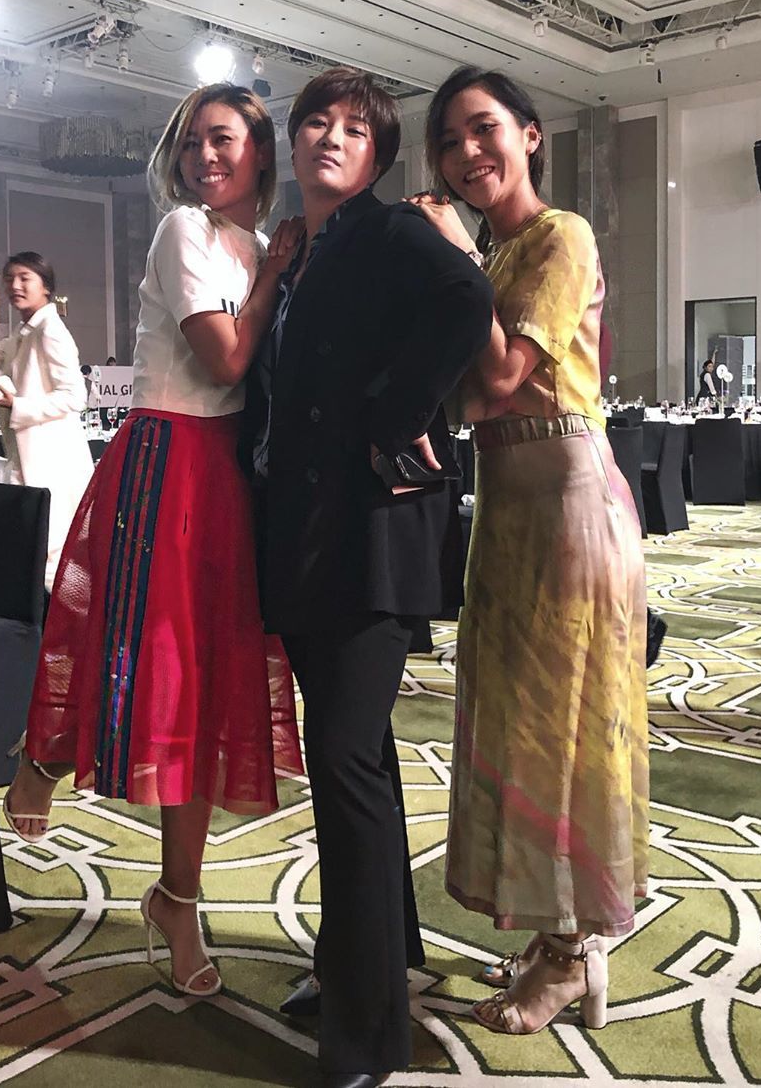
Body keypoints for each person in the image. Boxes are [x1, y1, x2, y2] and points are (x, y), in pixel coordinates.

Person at [2, 83, 303, 1001]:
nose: (204, 157)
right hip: (166, 458)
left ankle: (178, 898)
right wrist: (278, 277)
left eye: (224, 140)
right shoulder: (186, 232)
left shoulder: (263, 245)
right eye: (192, 143)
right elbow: (226, 359)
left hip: (230, 473)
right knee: (142, 661)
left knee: (208, 689)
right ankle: (45, 753)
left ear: (260, 152)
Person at [250, 67, 493, 1088]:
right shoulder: (302, 252)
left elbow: (467, 298)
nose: (329, 137)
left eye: (354, 129)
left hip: (370, 544)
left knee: (344, 765)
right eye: (315, 122)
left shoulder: (390, 232)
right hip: (311, 543)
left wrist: (396, 417)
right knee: (365, 762)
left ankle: (366, 1032)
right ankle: (370, 962)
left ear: (380, 155)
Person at [415, 65, 647, 1036]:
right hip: (507, 504)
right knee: (516, 722)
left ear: (530, 134)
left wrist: (452, 257)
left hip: (565, 502)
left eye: (484, 130)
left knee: (565, 728)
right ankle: (561, 937)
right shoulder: (499, 256)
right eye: (450, 141)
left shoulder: (560, 236)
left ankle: (569, 957)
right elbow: (466, 397)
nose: (467, 153)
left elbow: (505, 373)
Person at [0, 253, 93, 591]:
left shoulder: (50, 331)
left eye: (25, 278)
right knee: (39, 551)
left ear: (46, 287)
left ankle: (59, 619)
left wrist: (18, 405)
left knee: (53, 554)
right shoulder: (25, 332)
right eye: (9, 278)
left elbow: (75, 397)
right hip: (29, 455)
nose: (15, 285)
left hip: (52, 458)